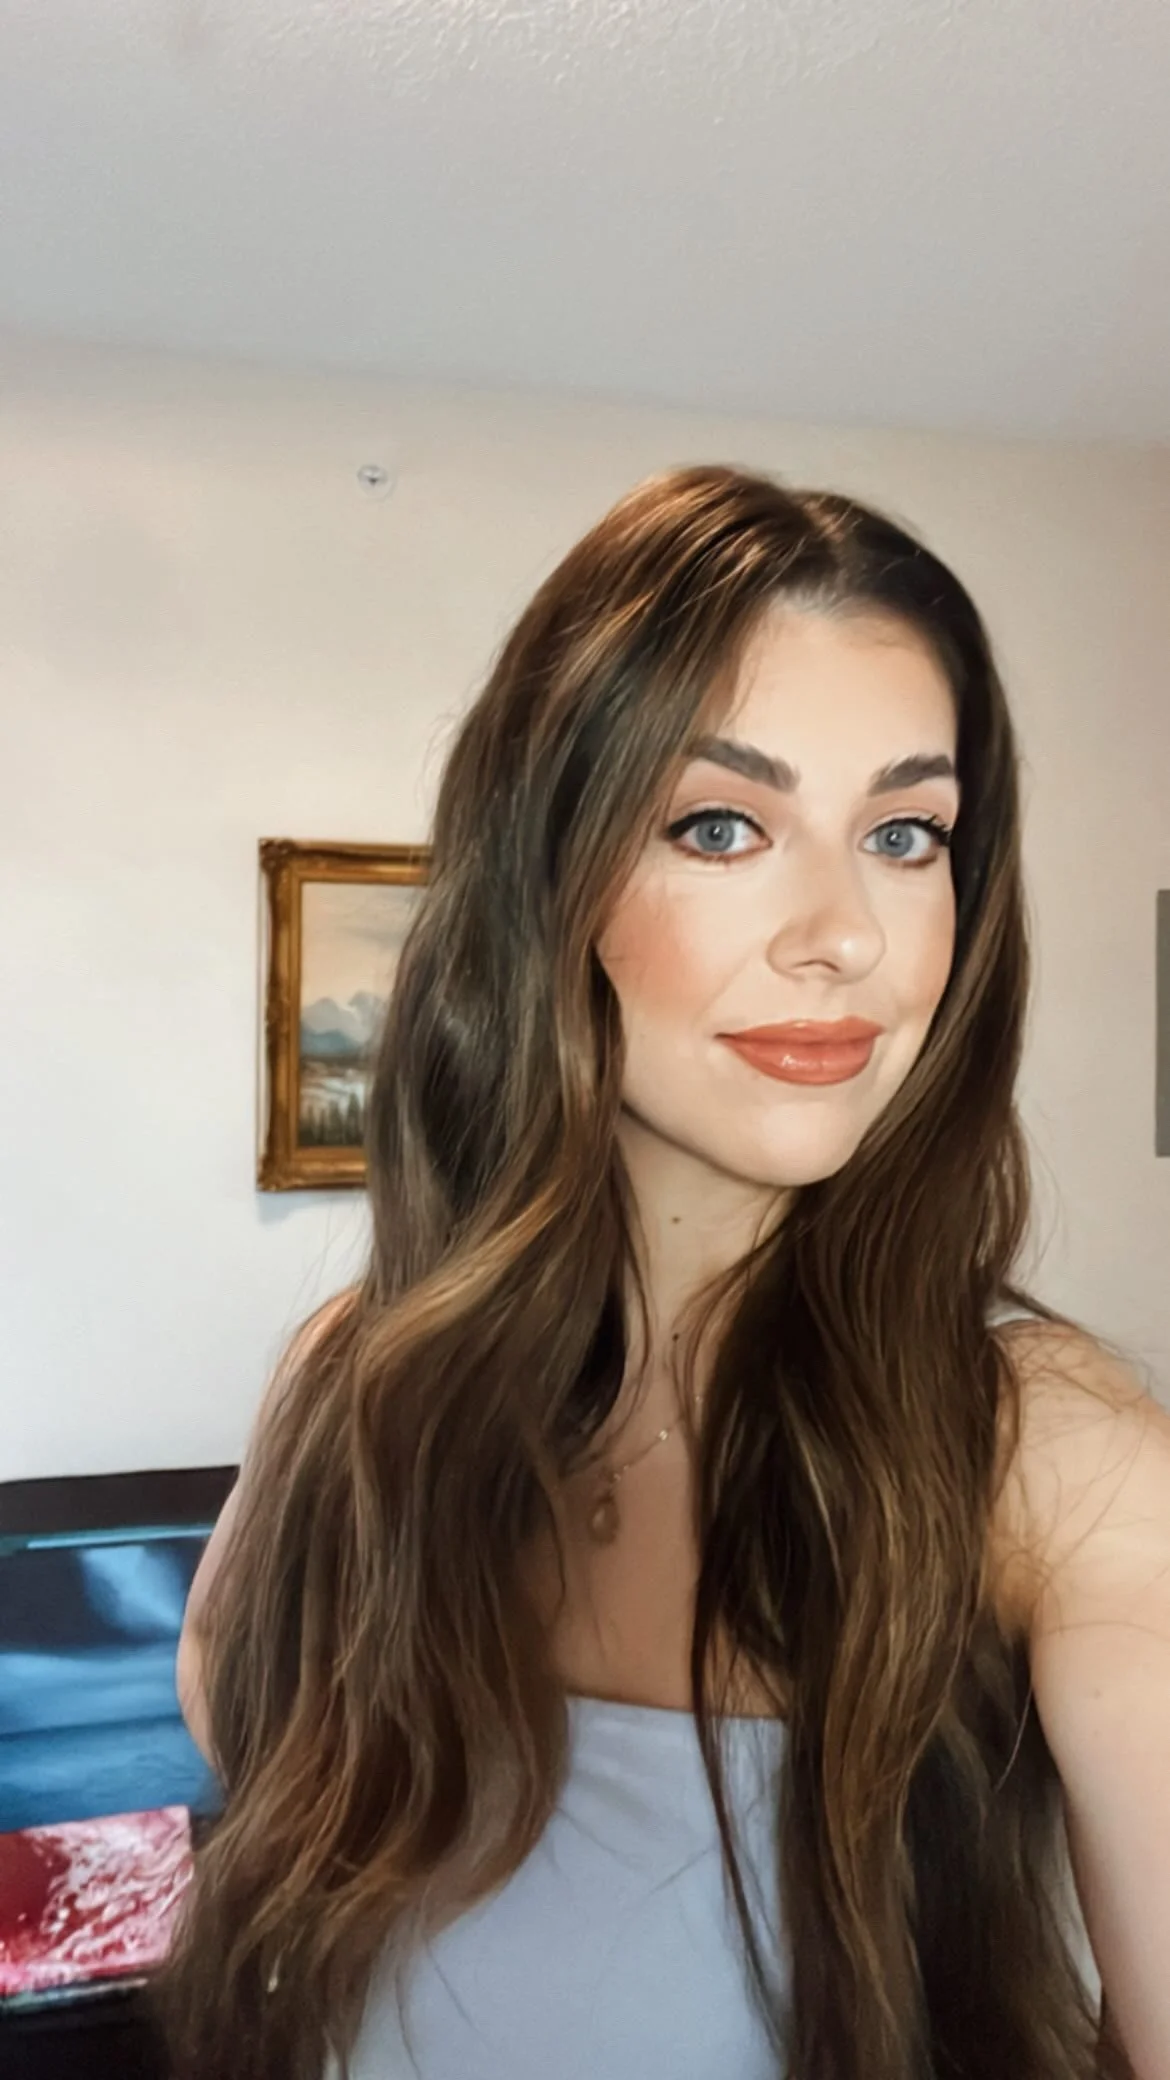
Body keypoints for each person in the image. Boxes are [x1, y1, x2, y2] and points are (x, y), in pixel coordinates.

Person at [160, 466, 1170, 2080]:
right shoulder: (365, 1372)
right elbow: (231, 1703)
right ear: (546, 880)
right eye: (721, 825)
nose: (843, 932)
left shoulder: (1048, 1456)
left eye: (906, 833)